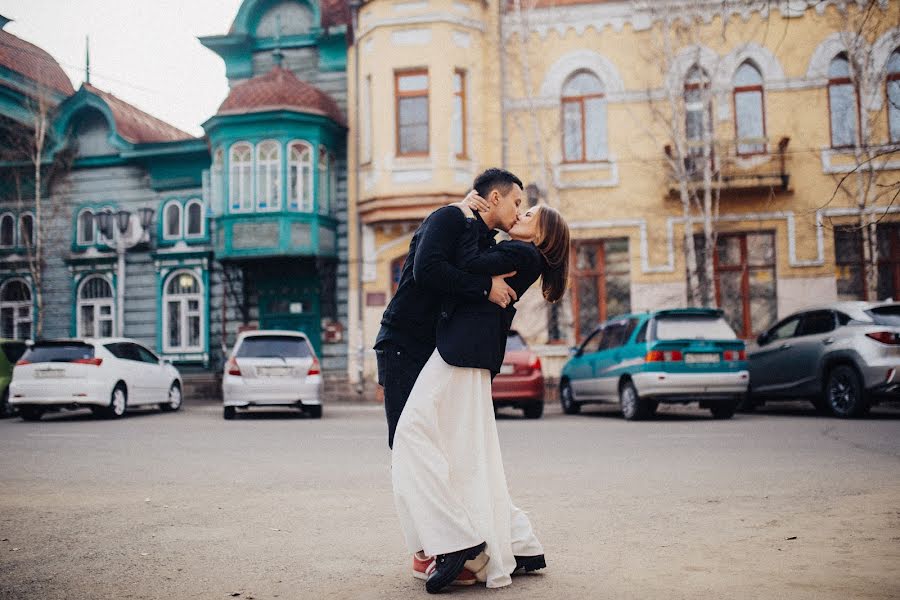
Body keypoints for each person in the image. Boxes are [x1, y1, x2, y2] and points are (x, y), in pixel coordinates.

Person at [391, 199, 571, 593]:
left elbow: (466, 262)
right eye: (520, 209)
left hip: (462, 351)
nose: (520, 215)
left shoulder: (521, 252)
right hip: (467, 351)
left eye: (528, 216)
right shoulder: (520, 252)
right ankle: (519, 542)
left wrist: (468, 216)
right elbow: (473, 267)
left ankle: (456, 542)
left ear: (540, 235)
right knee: (467, 451)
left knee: (412, 433)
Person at [374, 172, 520, 450]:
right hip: (405, 343)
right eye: (516, 202)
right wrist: (485, 287)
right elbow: (426, 270)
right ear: (495, 197)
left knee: (435, 440)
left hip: (439, 349)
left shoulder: (482, 239)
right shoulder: (450, 217)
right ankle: (410, 495)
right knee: (407, 436)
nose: (518, 211)